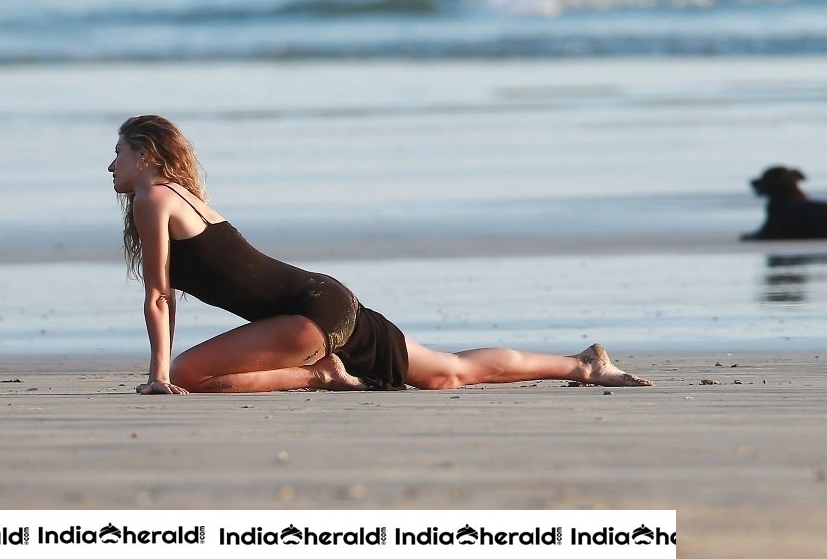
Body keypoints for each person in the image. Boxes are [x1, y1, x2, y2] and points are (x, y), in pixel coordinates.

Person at [109, 115, 651, 394]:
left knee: (187, 373)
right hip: (326, 300)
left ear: (147, 156)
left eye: (118, 154)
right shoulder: (182, 198)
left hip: (305, 318)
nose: (112, 167)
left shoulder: (153, 198)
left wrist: (159, 373)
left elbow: (160, 295)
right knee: (448, 373)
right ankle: (584, 367)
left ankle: (322, 375)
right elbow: (168, 295)